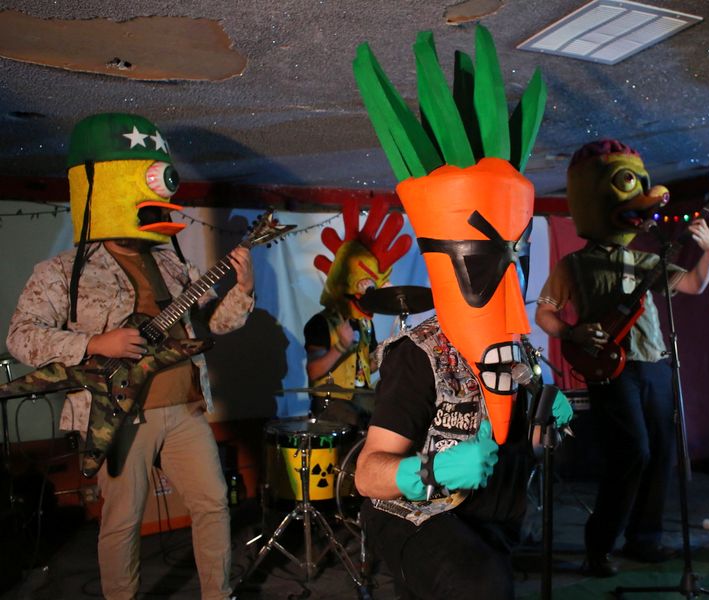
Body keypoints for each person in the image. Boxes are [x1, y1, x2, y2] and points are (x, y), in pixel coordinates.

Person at [351, 26, 572, 598]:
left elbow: (528, 442)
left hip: (493, 515)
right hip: (417, 514)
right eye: (488, 265)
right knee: (478, 584)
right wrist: (425, 471)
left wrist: (547, 415)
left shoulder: (521, 351)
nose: (511, 292)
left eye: (517, 263)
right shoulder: (417, 355)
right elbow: (367, 473)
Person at [5, 113, 254, 600]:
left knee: (213, 504)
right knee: (122, 521)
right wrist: (94, 344)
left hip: (184, 409)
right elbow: (20, 337)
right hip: (117, 416)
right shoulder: (62, 271)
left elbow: (214, 325)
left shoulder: (172, 261)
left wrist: (243, 288)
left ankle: (218, 594)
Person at [535, 139, 709, 577]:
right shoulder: (573, 265)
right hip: (610, 370)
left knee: (661, 451)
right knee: (632, 452)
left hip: (653, 363)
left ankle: (645, 540)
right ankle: (599, 546)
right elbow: (545, 313)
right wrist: (573, 332)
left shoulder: (646, 260)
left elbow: (694, 284)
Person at [303, 198, 411, 428]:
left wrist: (388, 352)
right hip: (331, 402)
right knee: (359, 422)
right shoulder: (320, 323)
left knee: (397, 415)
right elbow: (313, 371)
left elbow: (367, 367)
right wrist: (341, 346)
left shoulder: (364, 324)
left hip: (362, 397)